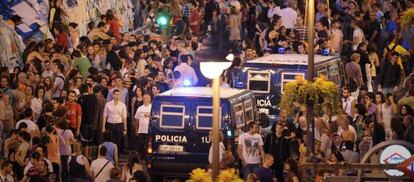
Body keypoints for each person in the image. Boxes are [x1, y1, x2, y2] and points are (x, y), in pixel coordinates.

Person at [102, 89, 127, 154]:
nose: (117, 96)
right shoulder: (108, 104)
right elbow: (104, 116)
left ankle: (117, 155)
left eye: (119, 94)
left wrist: (125, 128)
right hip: (110, 124)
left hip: (119, 124)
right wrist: (103, 127)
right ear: (113, 95)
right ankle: (110, 154)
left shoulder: (122, 105)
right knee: (110, 140)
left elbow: (124, 117)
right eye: (116, 94)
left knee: (118, 141)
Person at [134, 93, 152, 157]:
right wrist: (136, 130)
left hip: (149, 131)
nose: (145, 100)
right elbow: (136, 120)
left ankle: (147, 159)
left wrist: (150, 115)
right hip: (141, 130)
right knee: (140, 145)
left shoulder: (152, 108)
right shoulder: (140, 108)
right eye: (144, 98)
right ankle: (140, 158)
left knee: (148, 146)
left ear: (150, 99)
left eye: (147, 98)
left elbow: (156, 117)